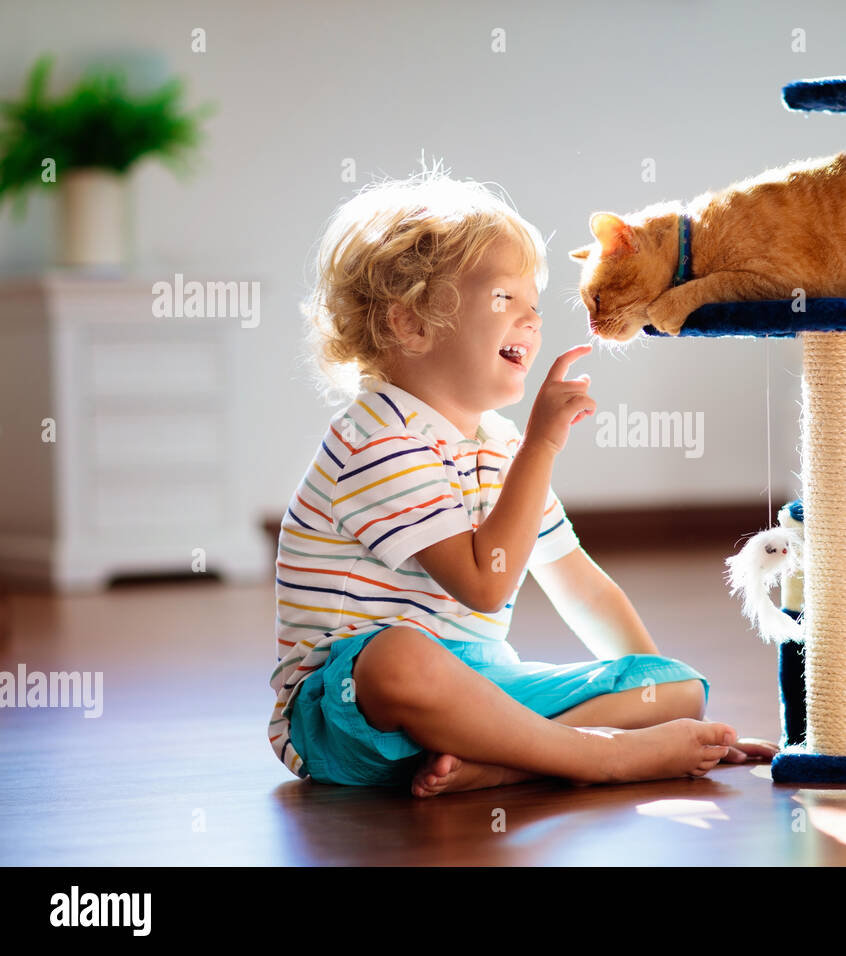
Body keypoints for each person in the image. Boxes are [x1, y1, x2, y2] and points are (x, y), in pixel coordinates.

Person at [268, 171, 778, 797]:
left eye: (535, 302)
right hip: (344, 711)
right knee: (400, 657)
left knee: (676, 685)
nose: (534, 319)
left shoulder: (499, 444)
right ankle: (594, 758)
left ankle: (503, 763)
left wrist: (670, 711)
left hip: (481, 691)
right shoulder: (376, 439)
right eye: (506, 298)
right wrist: (542, 445)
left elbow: (583, 589)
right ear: (412, 326)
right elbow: (485, 584)